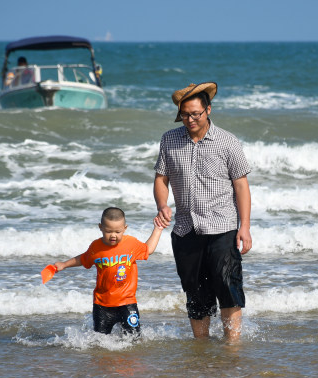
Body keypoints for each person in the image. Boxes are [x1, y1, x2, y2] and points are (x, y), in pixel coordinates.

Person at [153, 82, 252, 342]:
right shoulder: (169, 139)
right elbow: (161, 179)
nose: (190, 119)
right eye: (185, 114)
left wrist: (245, 227)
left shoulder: (228, 141)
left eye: (195, 113)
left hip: (222, 227)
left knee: (228, 288)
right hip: (186, 228)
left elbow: (241, 185)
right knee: (195, 293)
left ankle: (232, 347)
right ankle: (202, 346)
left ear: (208, 110)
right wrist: (162, 204)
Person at [52, 207, 164, 337]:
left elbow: (148, 249)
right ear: (100, 227)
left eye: (118, 231)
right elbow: (83, 259)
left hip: (127, 303)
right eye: (108, 231)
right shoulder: (96, 247)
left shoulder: (131, 244)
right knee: (100, 342)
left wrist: (158, 229)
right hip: (102, 305)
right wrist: (64, 264)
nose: (113, 235)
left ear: (125, 228)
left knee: (134, 339)